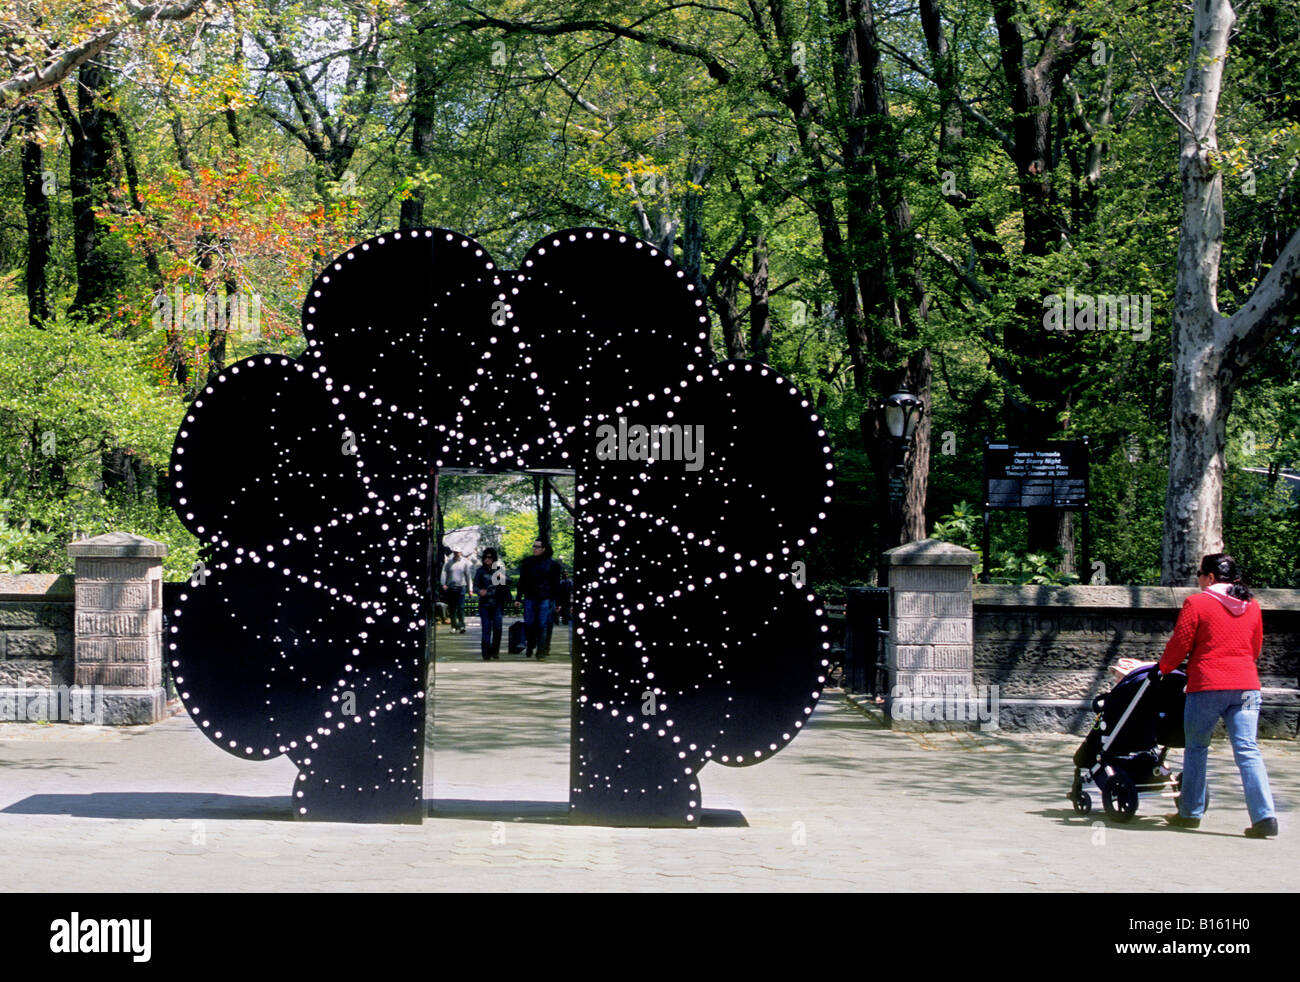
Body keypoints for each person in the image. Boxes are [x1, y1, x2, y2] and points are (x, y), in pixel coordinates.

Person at [1159, 553, 1278, 838]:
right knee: (1248, 749)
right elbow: (1255, 647)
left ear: (1210, 577)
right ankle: (1265, 817)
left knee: (1197, 747)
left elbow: (1181, 642)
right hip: (1248, 688)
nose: (1198, 580)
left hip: (1208, 686)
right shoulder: (1252, 605)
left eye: (1200, 575)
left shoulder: (1197, 603)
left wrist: (1164, 668)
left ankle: (1190, 813)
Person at [515, 538, 563, 660]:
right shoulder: (527, 562)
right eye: (534, 546)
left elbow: (556, 585)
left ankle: (541, 652)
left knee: (542, 624)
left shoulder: (553, 565)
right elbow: (522, 581)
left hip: (545, 597)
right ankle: (531, 643)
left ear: (543, 549)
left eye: (537, 547)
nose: (534, 549)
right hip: (530, 596)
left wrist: (558, 602)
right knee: (529, 623)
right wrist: (518, 598)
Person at [473, 548, 511, 660]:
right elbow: (475, 586)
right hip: (485, 604)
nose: (487, 559)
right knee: (486, 628)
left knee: (497, 628)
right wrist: (479, 591)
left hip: (497, 603)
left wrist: (501, 577)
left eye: (490, 557)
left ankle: (495, 651)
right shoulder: (480, 571)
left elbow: (509, 581)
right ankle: (486, 653)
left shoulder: (498, 570)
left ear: (494, 559)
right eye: (486, 557)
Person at [440, 549, 472, 634]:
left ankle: (462, 626)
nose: (456, 554)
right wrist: (443, 583)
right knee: (452, 608)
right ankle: (453, 626)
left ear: (461, 553)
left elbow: (468, 576)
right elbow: (444, 573)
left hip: (461, 587)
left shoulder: (465, 563)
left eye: (458, 552)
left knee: (461, 608)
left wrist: (470, 589)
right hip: (451, 587)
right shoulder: (449, 562)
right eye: (455, 552)